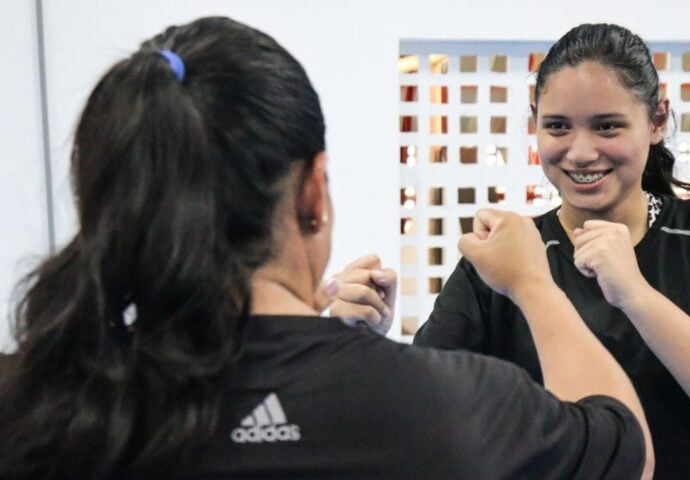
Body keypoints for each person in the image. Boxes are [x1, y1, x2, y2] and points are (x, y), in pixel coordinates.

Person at [0, 17, 653, 480]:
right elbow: (626, 447)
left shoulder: (35, 402)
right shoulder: (457, 403)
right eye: (559, 126)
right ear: (313, 192)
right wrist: (536, 287)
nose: (581, 151)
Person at [410, 23, 690, 480]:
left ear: (655, 121)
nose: (581, 152)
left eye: (607, 126)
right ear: (534, 123)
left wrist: (636, 294)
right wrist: (362, 335)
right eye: (557, 127)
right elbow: (422, 415)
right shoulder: (507, 259)